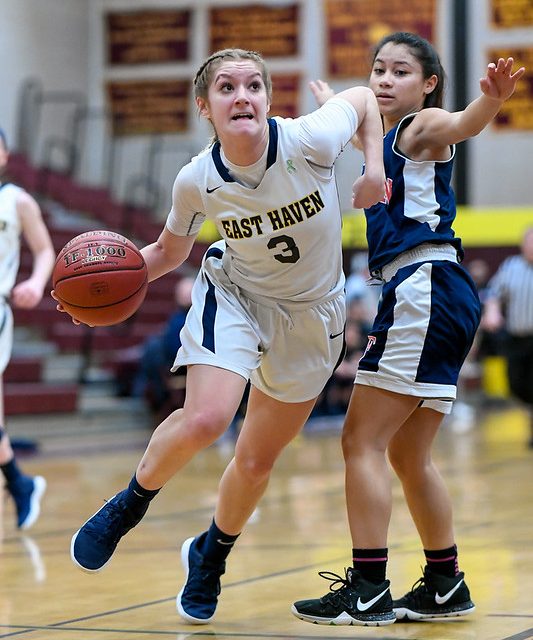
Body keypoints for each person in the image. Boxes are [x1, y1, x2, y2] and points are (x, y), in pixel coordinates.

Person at [61, 48, 385, 624]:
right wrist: (98, 296)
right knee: (208, 419)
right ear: (205, 107)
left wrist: (374, 167)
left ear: (266, 98)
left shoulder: (309, 138)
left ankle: (210, 555)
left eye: (254, 85)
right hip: (236, 295)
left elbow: (360, 100)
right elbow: (165, 253)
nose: (243, 96)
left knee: (256, 462)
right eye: (228, 88)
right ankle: (128, 505)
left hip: (313, 316)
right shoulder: (197, 180)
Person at [291, 32, 525, 626]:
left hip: (422, 286)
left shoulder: (418, 129)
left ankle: (368, 586)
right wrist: (327, 104)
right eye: (377, 69)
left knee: (359, 442)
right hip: (436, 292)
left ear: (427, 85)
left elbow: (459, 126)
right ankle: (445, 583)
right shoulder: (378, 142)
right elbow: (354, 131)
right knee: (407, 453)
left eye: (400, 71)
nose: (384, 79)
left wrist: (490, 105)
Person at [0, 127, 55, 529]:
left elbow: (44, 249)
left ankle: (19, 484)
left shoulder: (18, 201)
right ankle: (18, 483)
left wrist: (36, 283)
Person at [481, 227, 533, 448]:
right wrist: (492, 311)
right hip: (517, 338)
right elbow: (493, 293)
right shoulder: (511, 266)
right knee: (516, 385)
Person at [131, 274, 194, 416]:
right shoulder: (178, 318)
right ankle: (142, 388)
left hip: (180, 366)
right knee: (152, 346)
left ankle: (141, 388)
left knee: (153, 346)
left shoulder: (188, 319)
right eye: (182, 294)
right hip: (174, 365)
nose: (184, 297)